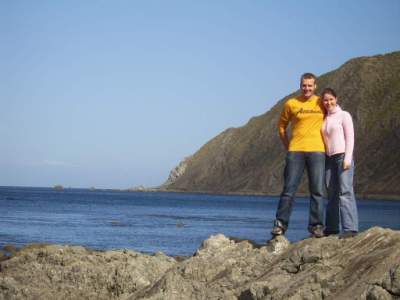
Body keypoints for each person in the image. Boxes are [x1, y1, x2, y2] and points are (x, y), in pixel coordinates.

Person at [271, 73, 325, 238]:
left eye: (310, 85)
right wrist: (288, 146)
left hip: (317, 150)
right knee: (289, 190)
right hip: (296, 151)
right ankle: (280, 224)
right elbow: (281, 126)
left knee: (317, 191)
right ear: (300, 86)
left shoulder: (322, 102)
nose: (307, 88)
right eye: (304, 85)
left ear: (315, 86)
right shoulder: (291, 103)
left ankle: (316, 226)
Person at [321, 87, 358, 238]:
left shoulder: (344, 115)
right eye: (325, 100)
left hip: (342, 157)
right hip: (329, 159)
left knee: (345, 191)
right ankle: (331, 227)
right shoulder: (325, 118)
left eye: (331, 99)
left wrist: (348, 158)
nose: (328, 102)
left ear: (336, 99)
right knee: (331, 193)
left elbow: (350, 137)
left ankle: (350, 228)